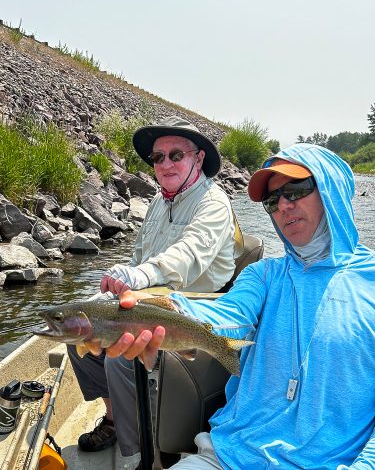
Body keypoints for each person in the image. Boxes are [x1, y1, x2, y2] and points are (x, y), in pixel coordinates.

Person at [110, 143, 375, 469]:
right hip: (227, 456)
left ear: (331, 188)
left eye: (296, 190)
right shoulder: (263, 275)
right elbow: (226, 316)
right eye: (273, 200)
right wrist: (164, 309)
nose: (284, 207)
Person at [68, 115, 241, 458]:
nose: (164, 164)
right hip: (151, 301)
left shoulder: (214, 203)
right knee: (79, 330)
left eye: (175, 155)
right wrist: (124, 279)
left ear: (198, 158)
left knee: (121, 356)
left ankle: (138, 454)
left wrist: (138, 277)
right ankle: (116, 420)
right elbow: (139, 255)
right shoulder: (159, 203)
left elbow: (188, 255)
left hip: (196, 307)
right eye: (158, 158)